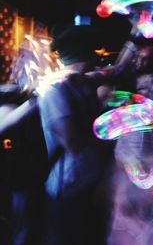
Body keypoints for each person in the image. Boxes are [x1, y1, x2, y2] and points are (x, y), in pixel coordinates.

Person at [38, 24, 116, 245]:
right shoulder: (54, 90)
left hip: (91, 185)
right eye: (94, 51)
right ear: (86, 53)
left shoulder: (83, 82)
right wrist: (113, 128)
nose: (99, 58)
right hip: (69, 190)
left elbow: (119, 69)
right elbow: (73, 142)